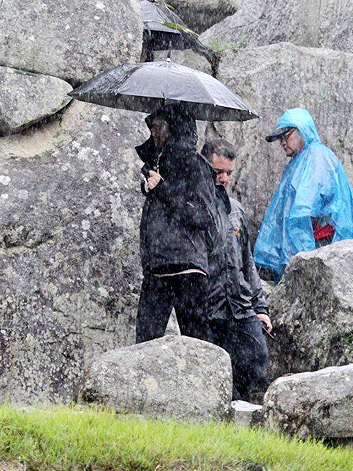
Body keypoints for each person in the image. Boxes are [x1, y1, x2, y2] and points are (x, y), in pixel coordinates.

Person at [135, 104, 222, 344]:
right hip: (158, 265)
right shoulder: (159, 163)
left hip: (187, 268)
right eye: (152, 126)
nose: (153, 131)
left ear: (173, 127)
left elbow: (203, 216)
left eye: (158, 125)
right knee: (143, 345)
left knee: (197, 345)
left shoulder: (196, 165)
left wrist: (163, 189)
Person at [202, 139, 272, 401]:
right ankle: (226, 409)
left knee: (257, 355)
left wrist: (261, 308)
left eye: (228, 173)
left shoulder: (237, 210)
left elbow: (247, 261)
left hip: (240, 303)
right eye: (217, 172)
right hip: (209, 304)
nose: (223, 178)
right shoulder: (196, 207)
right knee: (215, 363)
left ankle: (236, 402)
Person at [255, 108, 353, 280]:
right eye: (280, 138)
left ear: (301, 130)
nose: (282, 142)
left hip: (321, 244)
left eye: (285, 135)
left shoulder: (316, 156)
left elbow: (304, 209)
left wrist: (302, 252)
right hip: (314, 244)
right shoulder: (301, 160)